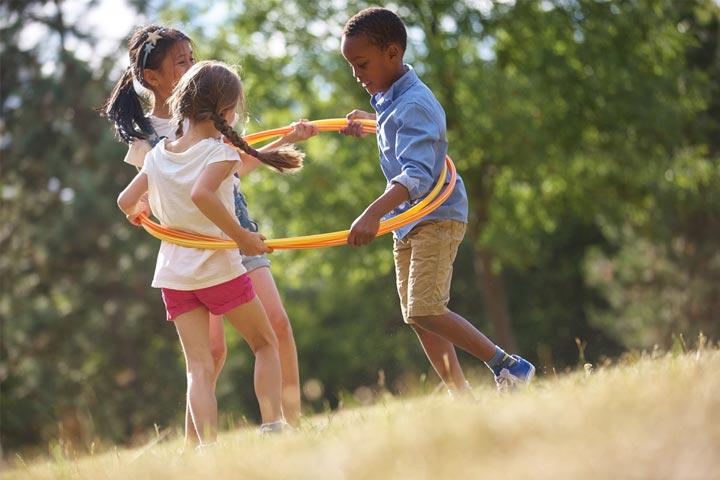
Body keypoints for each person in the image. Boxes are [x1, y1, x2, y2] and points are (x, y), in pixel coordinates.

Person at [101, 26, 314, 439]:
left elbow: (227, 178)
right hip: (197, 243)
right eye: (182, 61)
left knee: (275, 325)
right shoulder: (150, 138)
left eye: (192, 58)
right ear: (152, 77)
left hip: (232, 233)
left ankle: (290, 425)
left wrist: (286, 139)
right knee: (212, 353)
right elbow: (162, 194)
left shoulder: (205, 120)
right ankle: (200, 444)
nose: (192, 66)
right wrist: (144, 212)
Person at [339, 8, 535, 392]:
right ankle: (461, 395)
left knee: (427, 307)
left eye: (361, 64)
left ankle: (508, 365)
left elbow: (416, 175)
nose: (356, 75)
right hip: (407, 220)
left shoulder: (413, 103)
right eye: (351, 66)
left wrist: (372, 213)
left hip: (434, 215)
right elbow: (399, 128)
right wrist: (372, 120)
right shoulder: (392, 98)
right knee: (417, 314)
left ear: (392, 53)